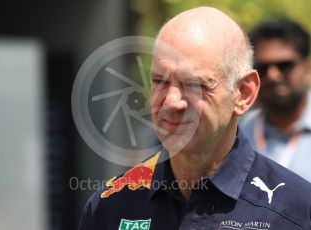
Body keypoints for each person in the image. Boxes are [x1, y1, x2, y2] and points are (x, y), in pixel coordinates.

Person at [79, 7, 311, 230]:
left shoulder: (296, 212)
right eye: (160, 81)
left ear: (244, 93)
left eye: (194, 85)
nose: (171, 102)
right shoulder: (110, 207)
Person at [240, 19, 311, 182]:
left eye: (284, 66)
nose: (273, 76)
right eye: (263, 68)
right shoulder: (237, 133)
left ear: (307, 68)